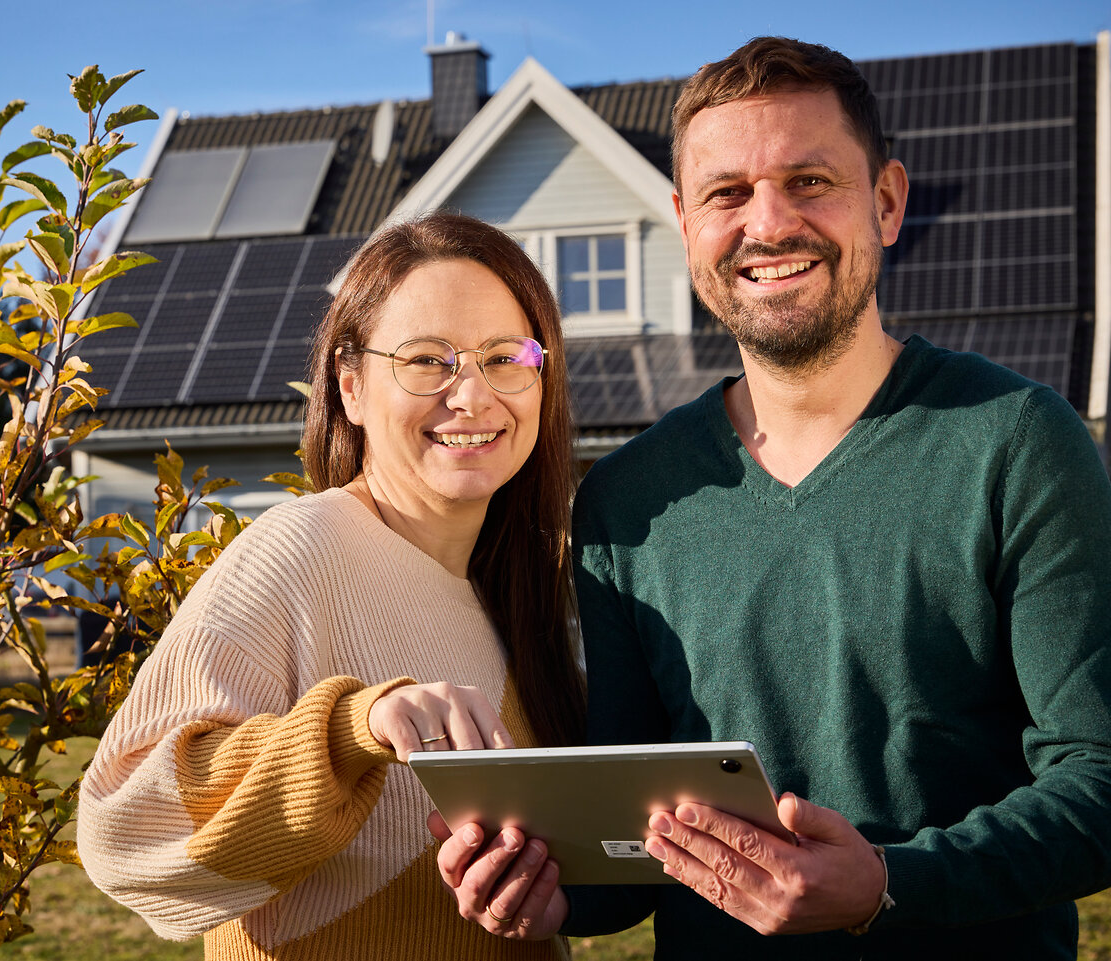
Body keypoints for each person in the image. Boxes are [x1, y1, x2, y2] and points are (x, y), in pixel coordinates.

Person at [433, 36, 1111, 958]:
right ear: (684, 222)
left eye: (810, 181)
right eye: (727, 193)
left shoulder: (1019, 442)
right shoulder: (628, 501)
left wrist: (888, 884)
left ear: (886, 201)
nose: (769, 222)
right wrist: (546, 889)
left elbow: (1100, 777)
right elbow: (635, 850)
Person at [76, 211, 585, 960]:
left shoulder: (518, 588)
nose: (472, 396)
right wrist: (352, 728)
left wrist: (540, 909)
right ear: (350, 385)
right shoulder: (298, 551)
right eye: (426, 360)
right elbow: (122, 828)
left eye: (504, 357)